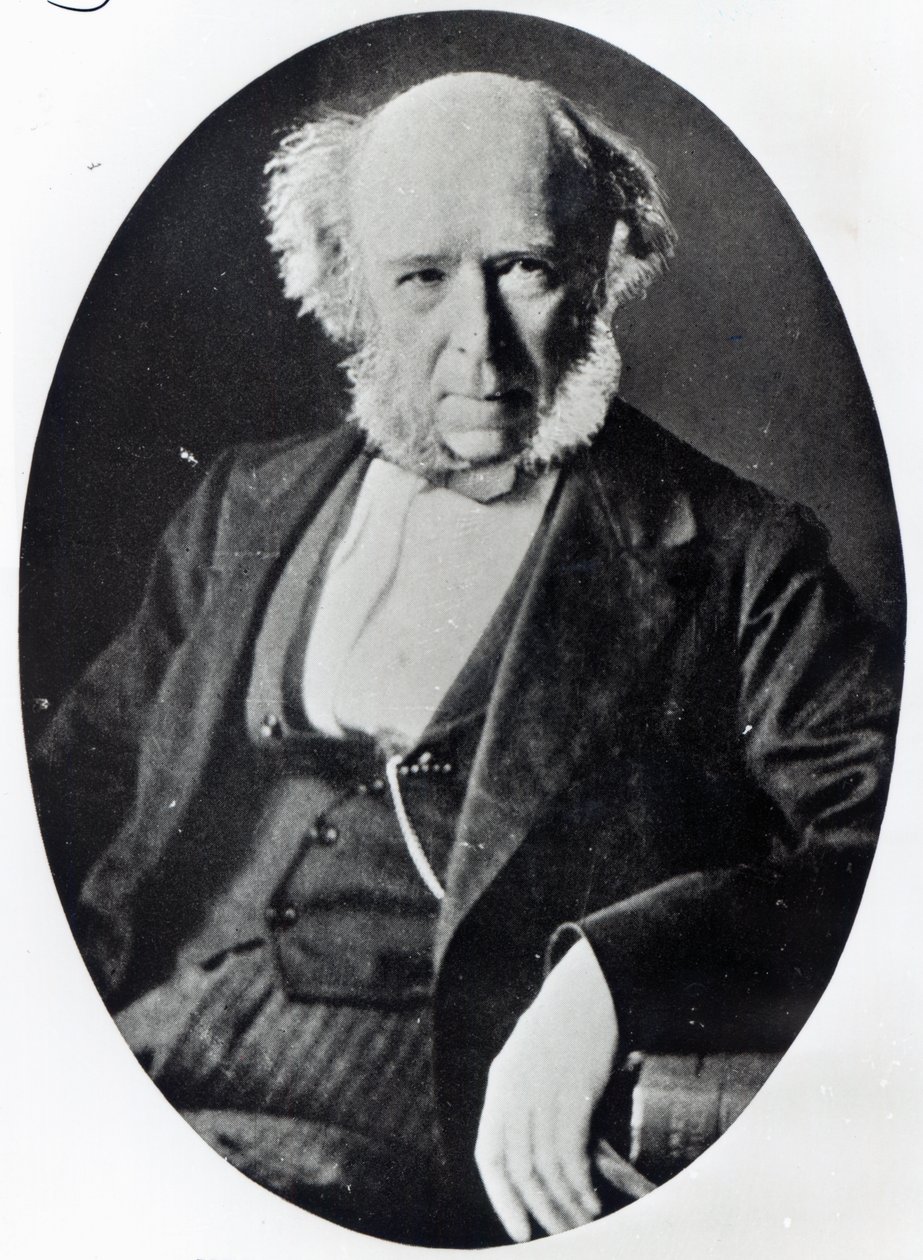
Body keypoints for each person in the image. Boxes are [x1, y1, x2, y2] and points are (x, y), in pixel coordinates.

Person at [29, 72, 900, 1247]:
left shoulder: (738, 556)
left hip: (410, 1118)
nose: (475, 344)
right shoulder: (244, 505)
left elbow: (879, 849)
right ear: (348, 285)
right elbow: (70, 786)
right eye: (421, 279)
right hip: (138, 1043)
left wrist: (605, 978)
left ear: (602, 264)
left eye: (523, 269)